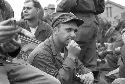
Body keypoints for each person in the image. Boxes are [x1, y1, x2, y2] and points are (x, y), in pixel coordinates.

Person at [0, 0, 61, 84]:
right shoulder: (20, 24)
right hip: (14, 63)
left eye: (28, 8)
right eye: (24, 8)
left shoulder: (5, 6)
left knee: (53, 82)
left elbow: (11, 51)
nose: (25, 10)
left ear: (38, 10)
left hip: (7, 62)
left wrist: (13, 48)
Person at [28, 13, 94, 84]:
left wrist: (89, 74)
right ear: (55, 31)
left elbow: (81, 68)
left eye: (75, 31)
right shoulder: (41, 54)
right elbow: (57, 82)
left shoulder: (66, 47)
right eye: (68, 30)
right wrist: (71, 57)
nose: (73, 35)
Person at [56, 0, 105, 72]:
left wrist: (59, 9)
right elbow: (100, 8)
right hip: (93, 22)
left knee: (72, 59)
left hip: (80, 22)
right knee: (90, 62)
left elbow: (68, 3)